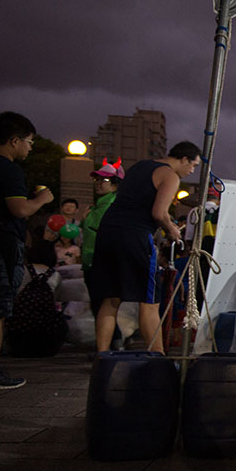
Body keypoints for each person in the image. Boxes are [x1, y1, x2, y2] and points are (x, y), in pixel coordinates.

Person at [89, 141, 201, 354]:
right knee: (149, 302)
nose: (192, 170)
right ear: (184, 158)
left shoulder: (140, 166)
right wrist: (172, 230)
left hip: (108, 231)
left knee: (111, 299)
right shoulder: (170, 176)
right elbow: (158, 213)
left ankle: (102, 357)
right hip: (135, 236)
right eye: (193, 165)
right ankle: (158, 358)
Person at [0, 112, 54, 390]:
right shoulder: (8, 170)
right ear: (13, 141)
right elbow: (19, 209)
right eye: (29, 142)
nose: (30, 148)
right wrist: (42, 198)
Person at [81, 159, 123, 345]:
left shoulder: (112, 205)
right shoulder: (98, 205)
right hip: (91, 260)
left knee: (103, 305)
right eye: (97, 180)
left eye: (104, 180)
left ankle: (113, 343)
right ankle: (115, 340)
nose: (98, 183)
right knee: (99, 304)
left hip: (102, 261)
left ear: (115, 184)